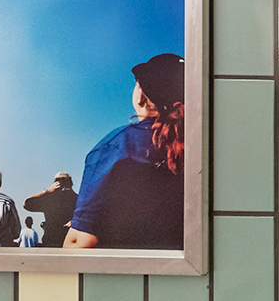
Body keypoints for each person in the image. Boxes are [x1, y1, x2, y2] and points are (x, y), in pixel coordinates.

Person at [65, 54, 185, 250]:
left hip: (127, 274)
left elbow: (80, 242)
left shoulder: (116, 147)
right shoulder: (204, 148)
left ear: (141, 96)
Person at [26, 172, 77, 250]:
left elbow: (26, 203)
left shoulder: (48, 199)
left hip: (50, 243)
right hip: (70, 243)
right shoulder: (79, 199)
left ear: (55, 183)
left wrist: (46, 191)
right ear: (70, 183)